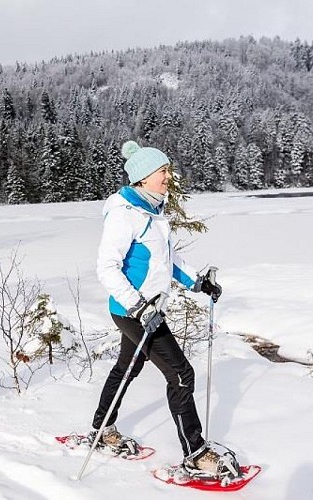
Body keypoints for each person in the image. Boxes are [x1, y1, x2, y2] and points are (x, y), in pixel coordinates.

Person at [90, 141, 225, 474]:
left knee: (127, 368)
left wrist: (198, 282)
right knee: (181, 375)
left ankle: (101, 427)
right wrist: (139, 306)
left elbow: (168, 259)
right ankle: (195, 453)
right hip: (133, 311)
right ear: (144, 177)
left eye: (167, 171)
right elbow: (107, 268)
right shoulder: (125, 215)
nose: (168, 177)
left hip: (145, 310)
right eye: (163, 172)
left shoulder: (153, 209)